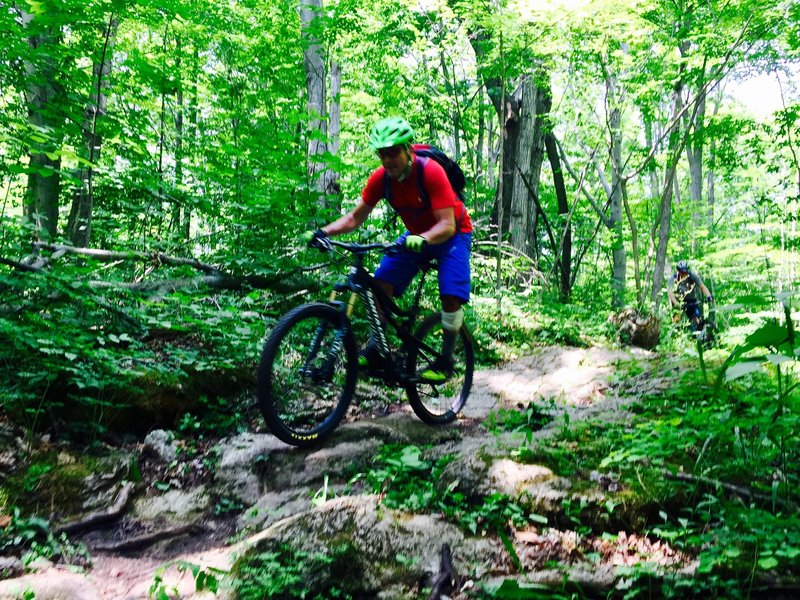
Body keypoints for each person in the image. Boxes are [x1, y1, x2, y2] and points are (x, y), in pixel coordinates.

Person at [303, 116, 472, 382]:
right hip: (416, 236)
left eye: (393, 152)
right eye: (382, 153)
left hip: (452, 234)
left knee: (450, 295)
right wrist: (324, 232)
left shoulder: (430, 172)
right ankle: (376, 349)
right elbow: (354, 218)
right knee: (381, 286)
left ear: (407, 149)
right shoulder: (382, 179)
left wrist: (424, 238)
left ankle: (445, 361)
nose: (388, 159)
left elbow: (447, 225)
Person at [667, 260, 714, 331]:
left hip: (691, 300)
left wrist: (708, 296)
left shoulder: (691, 275)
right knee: (677, 322)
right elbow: (670, 294)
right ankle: (679, 334)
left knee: (698, 317)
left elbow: (702, 286)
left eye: (685, 272)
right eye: (682, 272)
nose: (684, 274)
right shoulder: (673, 279)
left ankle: (700, 333)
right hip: (677, 302)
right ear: (678, 271)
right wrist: (676, 303)